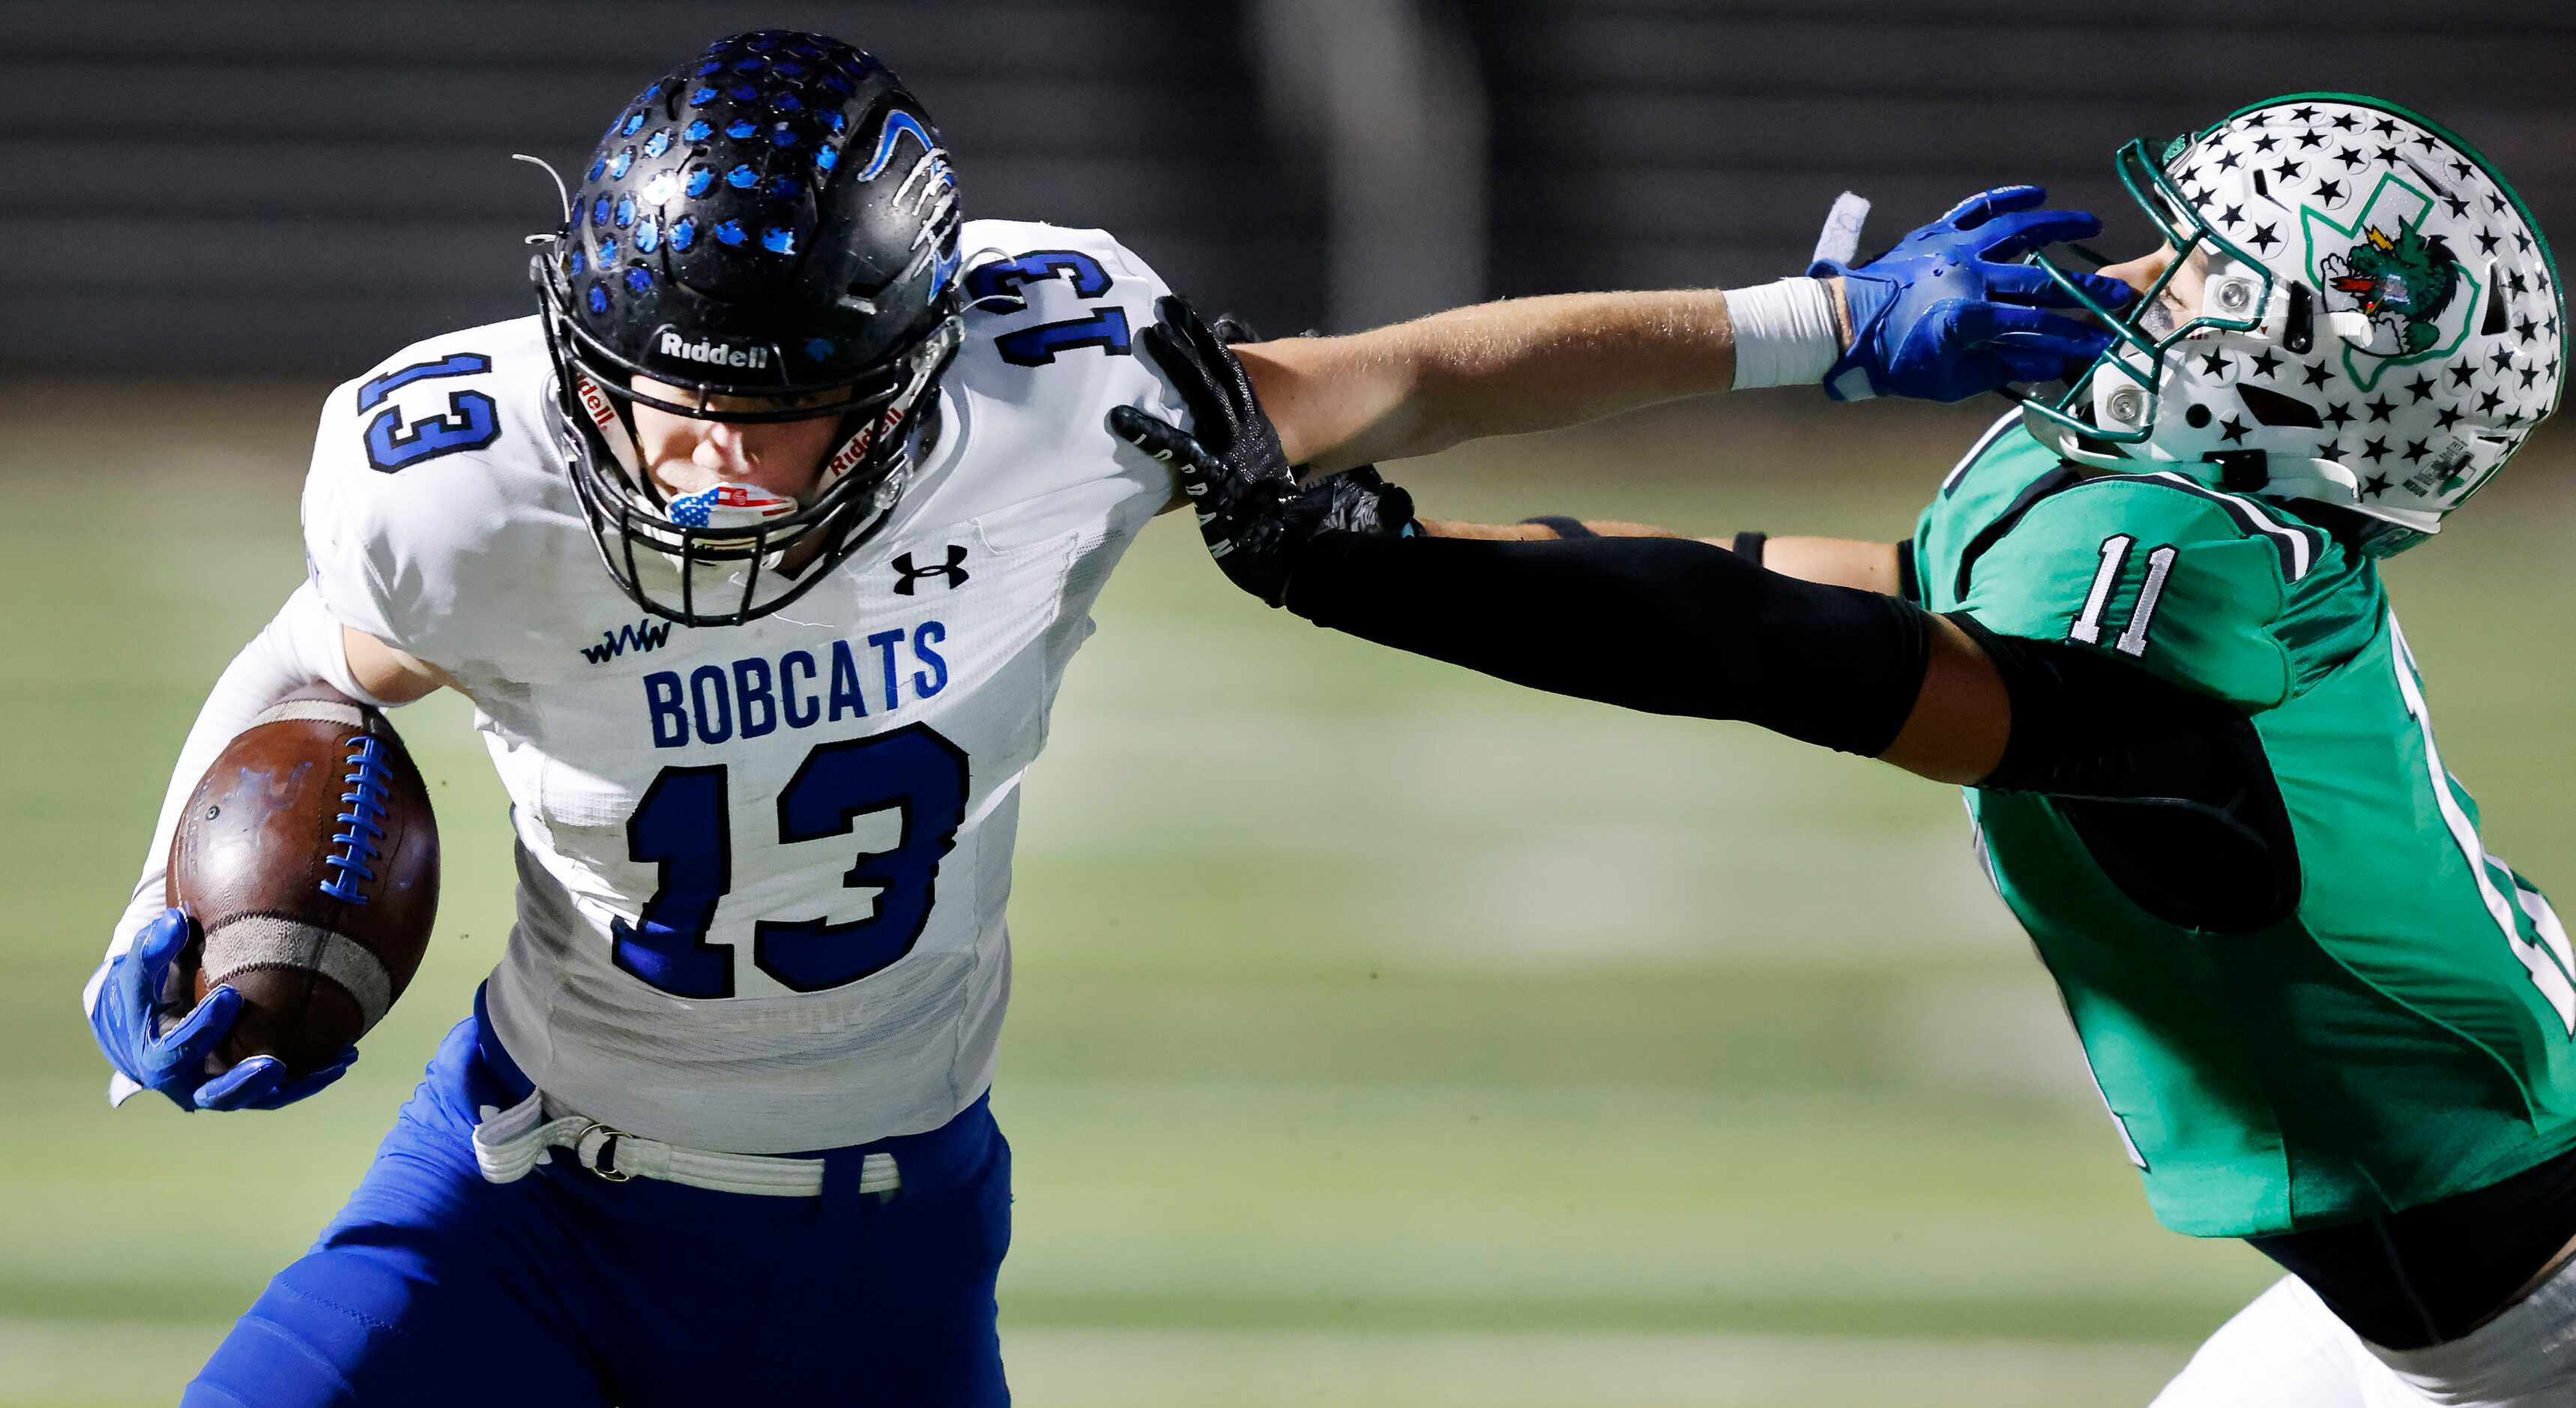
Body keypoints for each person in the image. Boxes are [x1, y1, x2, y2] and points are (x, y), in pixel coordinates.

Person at [79, 27, 2123, 1406]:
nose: (697, 464)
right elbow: (324, 659)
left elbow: (1406, 377)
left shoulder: (1051, 381)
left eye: (768, 416)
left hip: (877, 1248)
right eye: (654, 395)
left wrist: (1820, 327)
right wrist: (164, 907)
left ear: (904, 371)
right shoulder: (462, 476)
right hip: (518, 1194)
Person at [1115, 93, 2572, 1406]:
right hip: (2464, 1284)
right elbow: (1789, 582)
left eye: (2192, 275)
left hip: (2530, 1320)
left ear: (2298, 373)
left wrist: (1372, 569)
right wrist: (1410, 545)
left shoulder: (2182, 574)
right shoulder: (2158, 517)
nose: (2126, 284)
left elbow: (1781, 655)